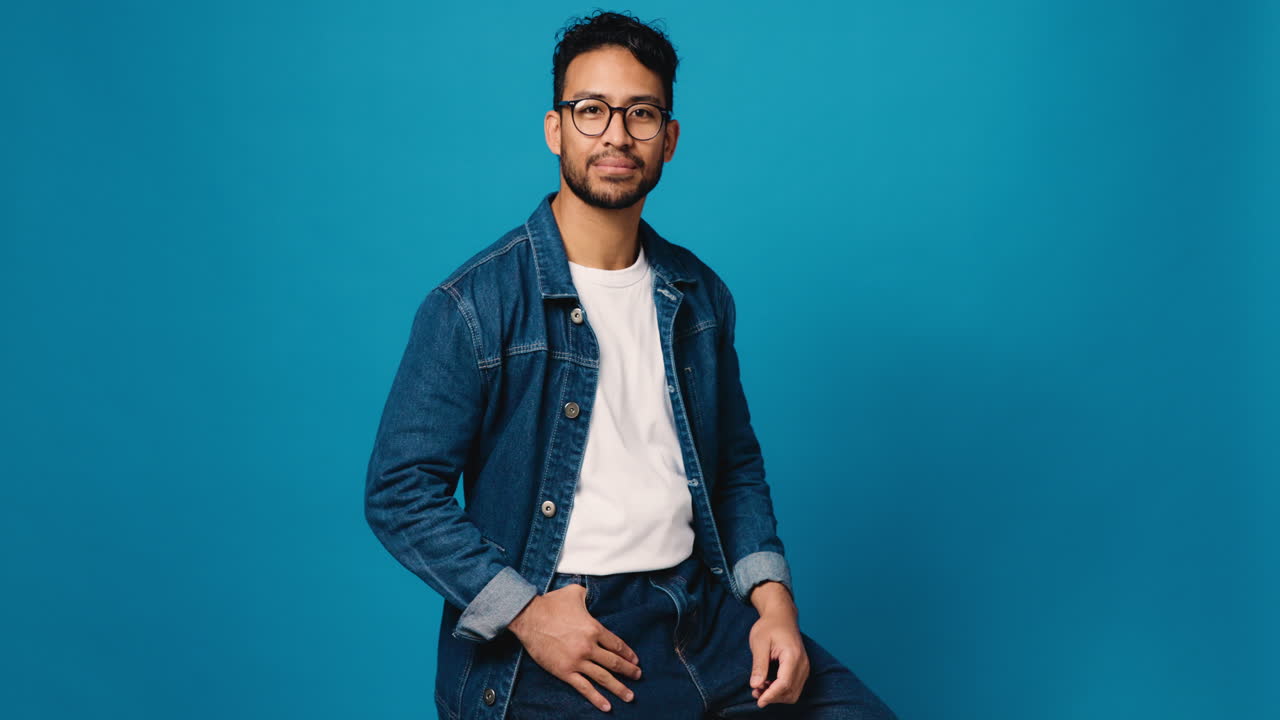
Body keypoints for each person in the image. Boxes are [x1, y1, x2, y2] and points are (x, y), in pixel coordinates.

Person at [365, 10, 898, 720]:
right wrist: (527, 614)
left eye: (640, 113)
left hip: (704, 616)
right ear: (556, 128)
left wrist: (773, 605)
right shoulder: (474, 306)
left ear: (668, 139)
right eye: (592, 111)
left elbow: (734, 467)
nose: (616, 134)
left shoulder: (700, 297)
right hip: (572, 629)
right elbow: (400, 490)